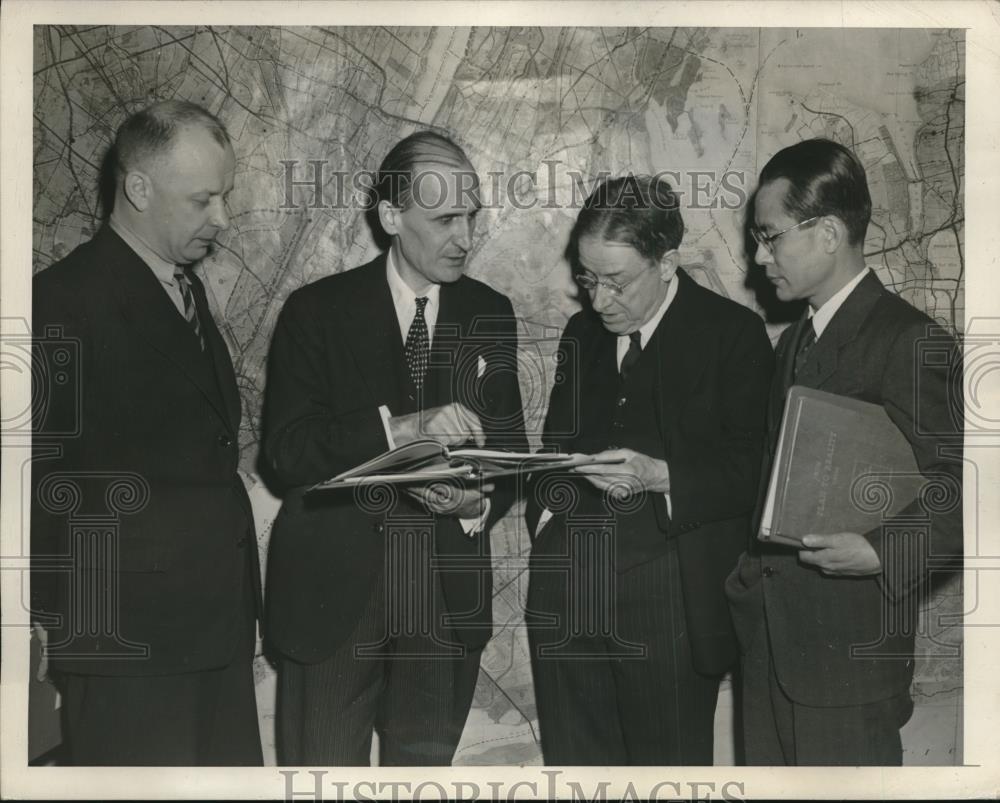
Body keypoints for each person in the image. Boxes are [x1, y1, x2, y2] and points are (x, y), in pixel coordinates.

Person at [262, 131, 528, 766]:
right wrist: (401, 429)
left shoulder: (490, 312)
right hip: (333, 600)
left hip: (442, 600)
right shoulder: (315, 311)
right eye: (444, 220)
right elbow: (288, 453)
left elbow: (511, 452)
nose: (465, 237)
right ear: (390, 217)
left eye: (471, 216)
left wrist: (474, 499)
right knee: (322, 777)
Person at [31, 100, 262, 765]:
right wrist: (55, 622)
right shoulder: (61, 302)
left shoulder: (180, 288)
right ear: (137, 188)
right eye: (202, 200)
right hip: (127, 650)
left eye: (224, 197)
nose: (221, 219)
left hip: (211, 633)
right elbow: (38, 479)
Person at [725, 138, 964, 766]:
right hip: (772, 650)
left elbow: (967, 488)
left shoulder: (909, 340)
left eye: (770, 236)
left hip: (848, 665)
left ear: (828, 233)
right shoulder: (792, 343)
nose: (759, 256)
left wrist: (880, 551)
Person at [525, 174, 774, 765]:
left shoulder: (732, 335)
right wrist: (547, 523)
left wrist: (664, 476)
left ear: (667, 263)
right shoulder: (581, 334)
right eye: (588, 279)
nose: (598, 301)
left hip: (672, 609)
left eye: (615, 282)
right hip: (566, 596)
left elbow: (758, 470)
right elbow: (554, 449)